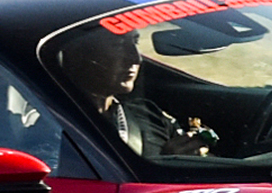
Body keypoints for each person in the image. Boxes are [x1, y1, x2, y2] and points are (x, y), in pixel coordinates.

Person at [55, 32, 216, 157]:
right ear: (77, 53)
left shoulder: (150, 114)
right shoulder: (51, 126)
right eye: (118, 45)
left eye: (135, 42)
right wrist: (163, 166)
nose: (135, 58)